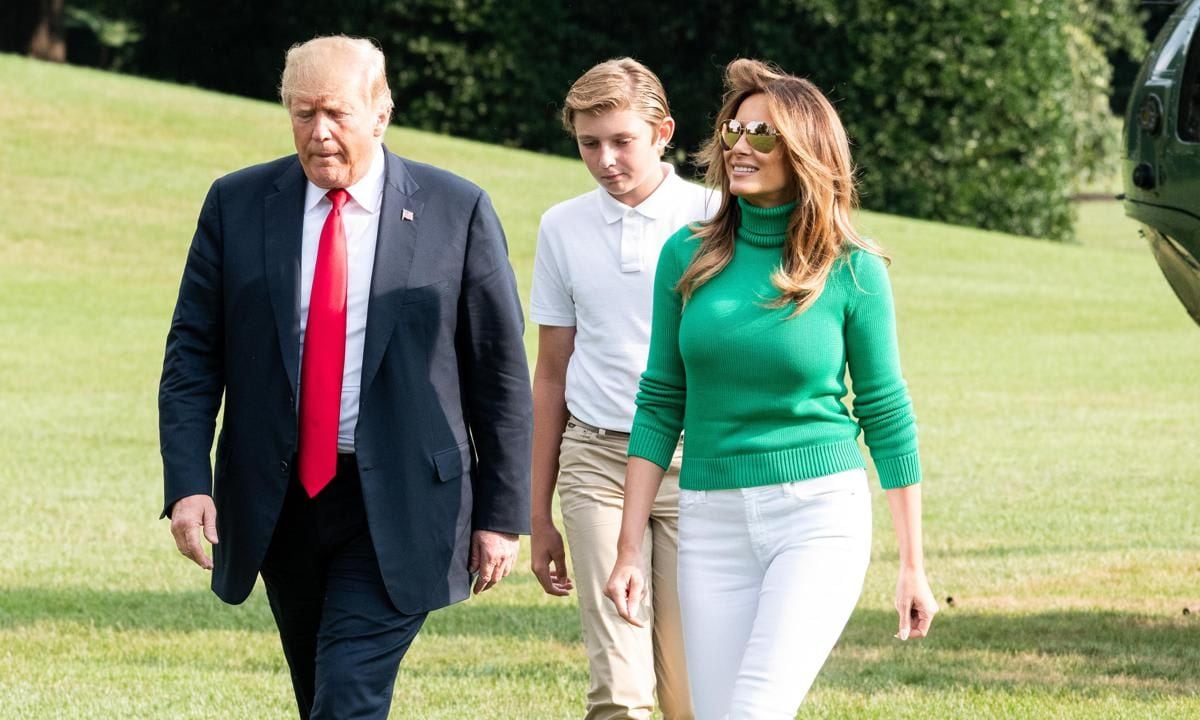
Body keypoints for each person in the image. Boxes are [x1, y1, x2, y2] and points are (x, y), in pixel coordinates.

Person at [158, 35, 531, 720]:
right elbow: (191, 356)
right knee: (320, 693)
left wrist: (502, 516)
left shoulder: (457, 210)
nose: (319, 133)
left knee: (347, 697)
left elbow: (501, 375)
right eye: (302, 114)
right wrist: (187, 485)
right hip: (279, 500)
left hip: (406, 499)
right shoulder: (236, 204)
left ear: (380, 113)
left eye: (336, 113)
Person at [604, 58, 938, 719]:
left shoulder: (852, 268)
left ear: (806, 150)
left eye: (763, 135)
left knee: (754, 710)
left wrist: (913, 563)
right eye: (734, 130)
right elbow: (661, 401)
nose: (739, 147)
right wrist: (627, 547)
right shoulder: (686, 257)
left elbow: (887, 413)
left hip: (815, 518)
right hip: (708, 521)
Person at [529, 58, 714, 720]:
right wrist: (537, 512)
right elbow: (551, 371)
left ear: (662, 131)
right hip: (597, 463)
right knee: (620, 690)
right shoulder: (561, 227)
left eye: (621, 140)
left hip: (699, 465)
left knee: (691, 693)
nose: (605, 160)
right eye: (588, 143)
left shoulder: (717, 217)